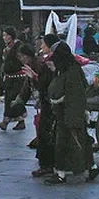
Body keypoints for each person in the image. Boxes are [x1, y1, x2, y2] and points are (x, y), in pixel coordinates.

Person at [45, 41, 99, 184]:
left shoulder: (71, 72)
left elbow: (75, 97)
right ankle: (92, 167)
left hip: (69, 114)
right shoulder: (67, 69)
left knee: (65, 144)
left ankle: (61, 174)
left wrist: (73, 117)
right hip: (67, 113)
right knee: (81, 142)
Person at [31, 33, 60, 177]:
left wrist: (34, 78)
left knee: (45, 133)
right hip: (48, 101)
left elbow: (45, 84)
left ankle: (47, 164)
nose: (42, 46)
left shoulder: (51, 63)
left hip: (50, 103)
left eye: (44, 43)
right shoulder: (48, 61)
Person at [0, 27, 30, 131]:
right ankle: (18, 121)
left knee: (13, 99)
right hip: (9, 78)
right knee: (9, 99)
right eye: (3, 35)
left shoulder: (18, 46)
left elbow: (22, 60)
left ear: (11, 36)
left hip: (18, 78)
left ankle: (6, 122)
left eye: (6, 35)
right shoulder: (7, 48)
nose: (4, 37)